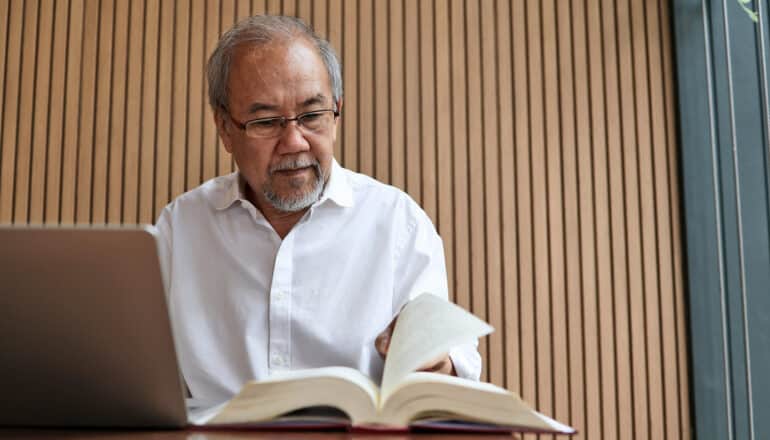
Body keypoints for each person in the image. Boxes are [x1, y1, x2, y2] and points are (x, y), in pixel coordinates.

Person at [154, 15, 481, 403]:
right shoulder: (181, 229)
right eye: (265, 121)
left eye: (312, 116)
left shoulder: (398, 224)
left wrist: (437, 366)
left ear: (337, 112)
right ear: (225, 129)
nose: (294, 142)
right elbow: (142, 375)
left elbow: (453, 377)